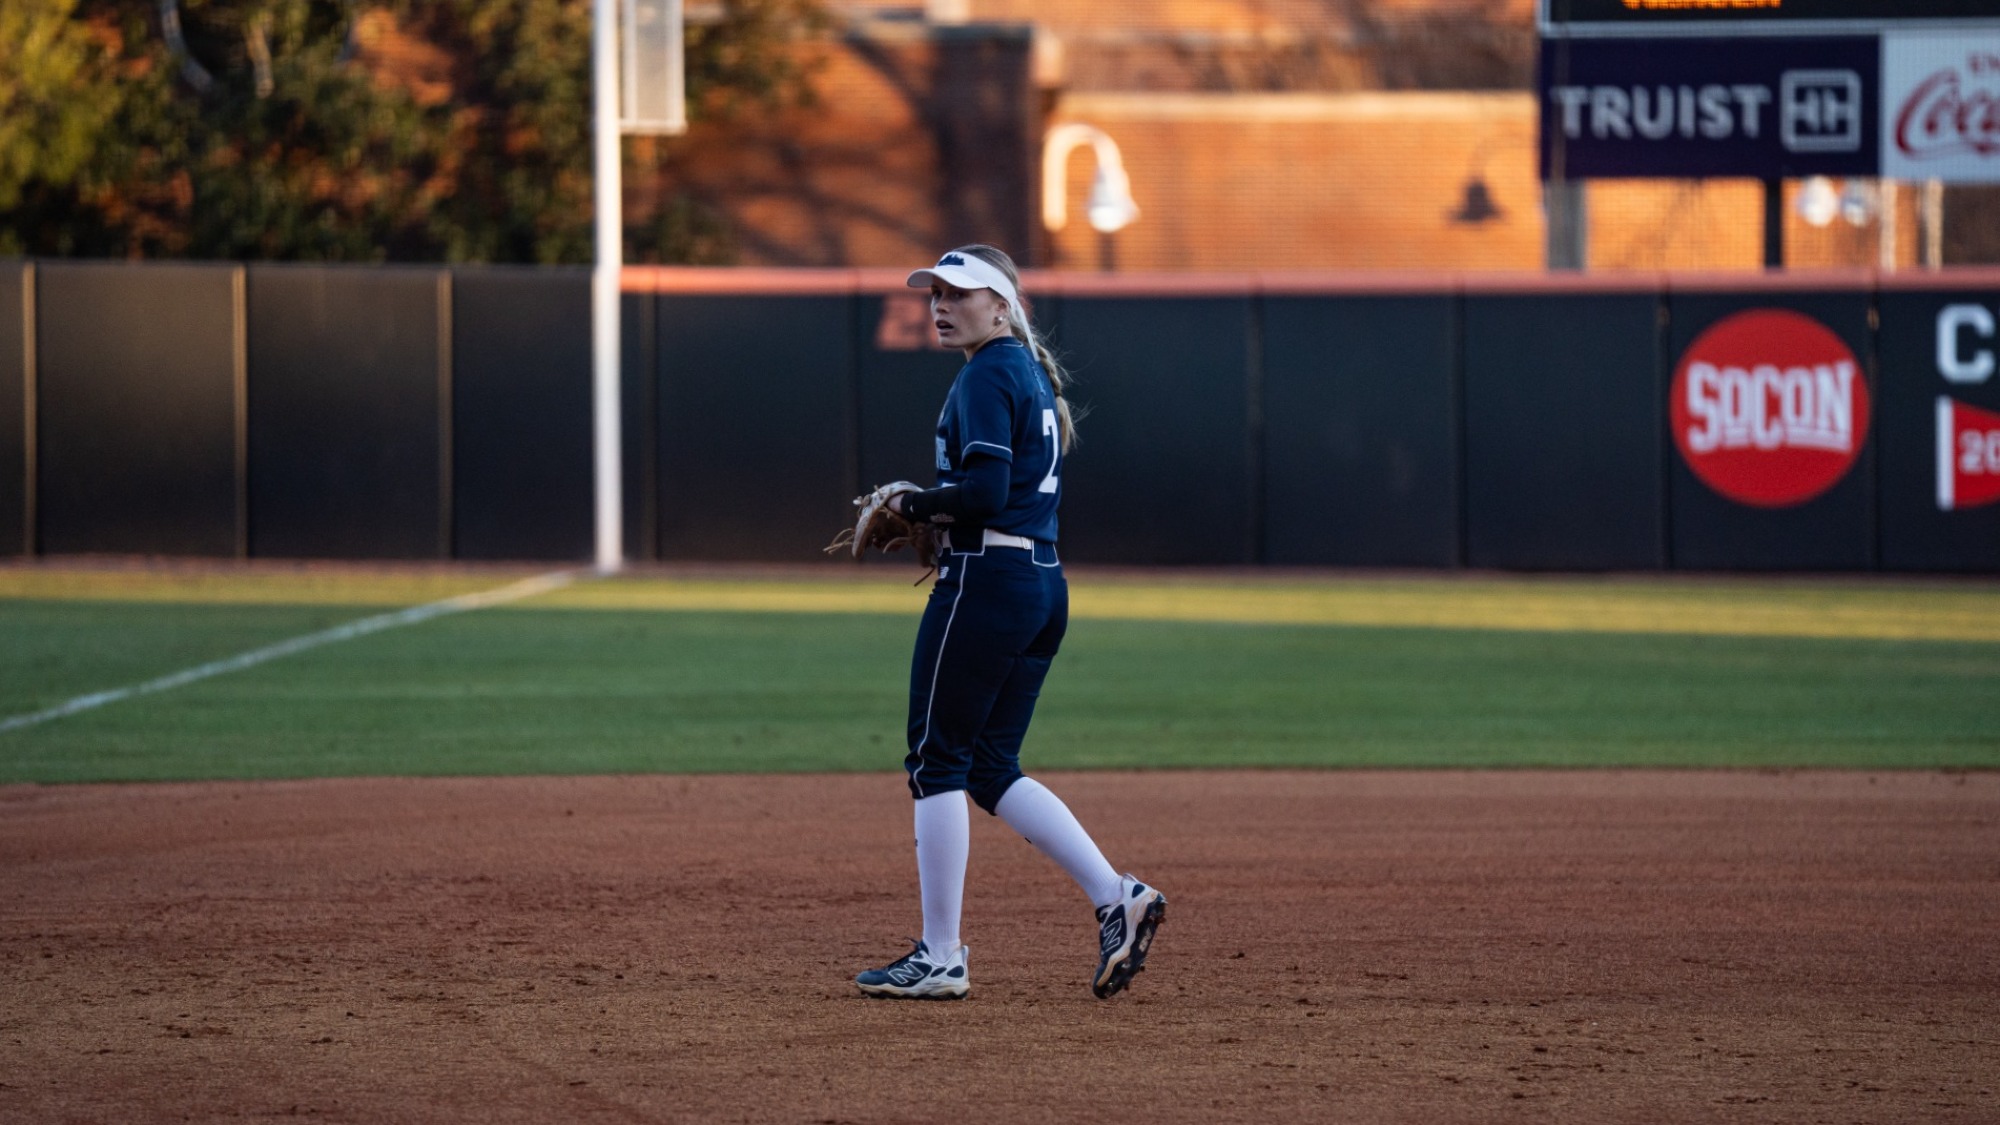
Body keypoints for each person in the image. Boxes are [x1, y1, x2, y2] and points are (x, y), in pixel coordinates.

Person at [854, 244, 1166, 1001]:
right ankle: (1116, 895)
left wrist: (916, 505)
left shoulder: (991, 370)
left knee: (936, 761)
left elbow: (987, 490)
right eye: (934, 292)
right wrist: (938, 507)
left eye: (959, 293)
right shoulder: (1023, 372)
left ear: (1002, 305)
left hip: (987, 582)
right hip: (1039, 582)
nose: (940, 303)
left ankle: (940, 954)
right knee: (989, 766)